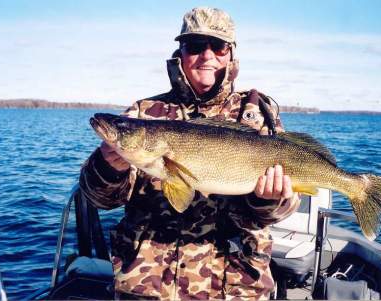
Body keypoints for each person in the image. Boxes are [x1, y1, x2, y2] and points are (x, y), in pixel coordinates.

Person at [79, 7, 300, 300]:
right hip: (148, 285)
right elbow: (99, 199)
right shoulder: (144, 113)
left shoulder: (259, 116)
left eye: (218, 46)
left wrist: (268, 200)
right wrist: (107, 167)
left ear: (231, 54)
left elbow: (280, 211)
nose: (207, 56)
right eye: (195, 46)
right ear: (180, 52)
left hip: (234, 287)